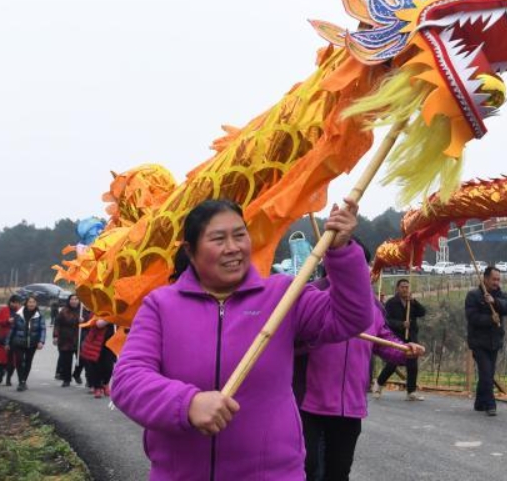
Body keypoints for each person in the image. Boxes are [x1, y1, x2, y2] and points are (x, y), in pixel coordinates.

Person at [111, 198, 373, 480]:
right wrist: (187, 404)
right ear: (191, 249)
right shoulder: (161, 305)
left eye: (239, 235)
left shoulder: (282, 296)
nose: (233, 247)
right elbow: (128, 380)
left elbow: (351, 317)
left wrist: (343, 252)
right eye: (218, 238)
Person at [297, 239, 426, 481]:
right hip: (309, 404)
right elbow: (292, 340)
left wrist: (404, 350)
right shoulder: (310, 295)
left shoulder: (372, 307)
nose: (362, 269)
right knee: (309, 468)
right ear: (332, 260)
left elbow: (382, 338)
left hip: (351, 406)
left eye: (362, 263)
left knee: (339, 472)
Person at [465, 266, 507, 416]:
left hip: (495, 341)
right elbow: (472, 317)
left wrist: (495, 301)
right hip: (479, 342)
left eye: (498, 279)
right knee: (486, 373)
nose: (496, 282)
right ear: (485, 279)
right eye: (494, 279)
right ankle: (490, 404)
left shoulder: (502, 295)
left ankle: (479, 403)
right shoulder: (473, 295)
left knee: (488, 374)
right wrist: (489, 319)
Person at [374, 278, 427, 401]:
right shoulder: (391, 303)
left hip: (411, 338)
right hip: (396, 336)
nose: (405, 289)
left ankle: (411, 391)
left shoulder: (411, 302)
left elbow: (422, 312)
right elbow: (387, 320)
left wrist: (414, 302)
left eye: (407, 287)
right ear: (398, 288)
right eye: (402, 287)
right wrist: (401, 324)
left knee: (413, 364)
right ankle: (379, 384)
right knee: (392, 363)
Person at [7, 295, 46, 392]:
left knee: (28, 362)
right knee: (19, 361)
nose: (31, 304)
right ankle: (21, 382)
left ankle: (23, 381)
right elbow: (13, 329)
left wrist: (41, 341)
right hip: (18, 342)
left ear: (36, 303)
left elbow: (43, 329)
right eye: (30, 302)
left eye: (33, 302)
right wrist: (7, 342)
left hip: (32, 343)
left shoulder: (39, 315)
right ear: (26, 303)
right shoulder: (19, 314)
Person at [80, 317, 116, 398]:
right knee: (97, 367)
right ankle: (97, 388)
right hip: (97, 345)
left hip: (110, 345)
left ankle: (105, 384)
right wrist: (111, 318)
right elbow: (98, 324)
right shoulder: (98, 311)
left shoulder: (115, 312)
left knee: (108, 367)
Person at [53, 294, 81, 387]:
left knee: (82, 359)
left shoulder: (82, 311)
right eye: (72, 299)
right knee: (66, 361)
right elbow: (57, 324)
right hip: (65, 339)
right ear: (69, 301)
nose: (74, 301)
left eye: (76, 299)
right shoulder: (64, 311)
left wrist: (83, 321)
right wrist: (55, 336)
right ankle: (66, 379)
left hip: (79, 339)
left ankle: (76, 374)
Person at [0, 294, 22, 385]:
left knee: (12, 359)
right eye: (14, 302)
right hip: (3, 337)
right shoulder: (3, 310)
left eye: (17, 303)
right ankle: (1, 372)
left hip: (14, 338)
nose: (15, 305)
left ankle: (8, 378)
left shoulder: (20, 312)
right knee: (0, 358)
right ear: (10, 302)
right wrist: (7, 321)